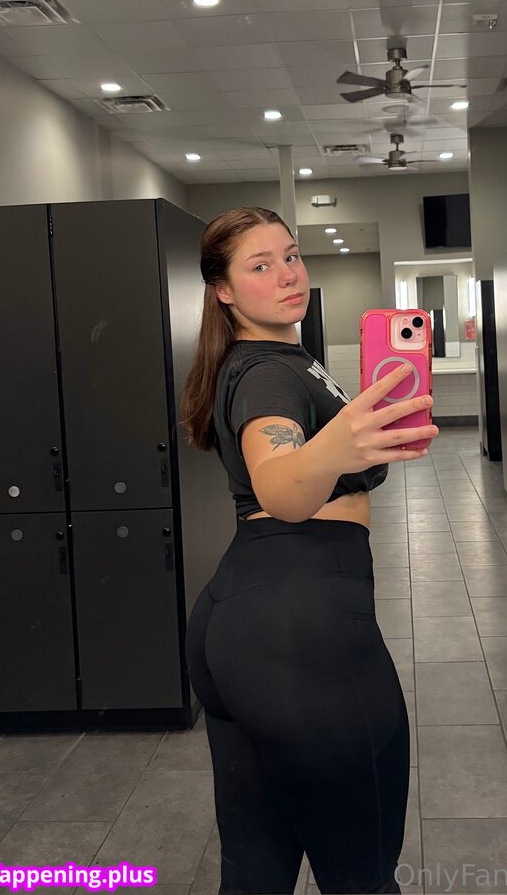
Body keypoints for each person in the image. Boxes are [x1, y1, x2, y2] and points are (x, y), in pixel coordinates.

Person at [179, 207, 439, 894]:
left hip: (243, 624)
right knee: (362, 879)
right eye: (260, 266)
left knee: (255, 872)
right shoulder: (265, 372)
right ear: (224, 290)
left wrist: (354, 444)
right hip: (301, 637)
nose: (287, 274)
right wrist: (335, 448)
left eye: (290, 256)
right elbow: (280, 485)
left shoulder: (280, 359)